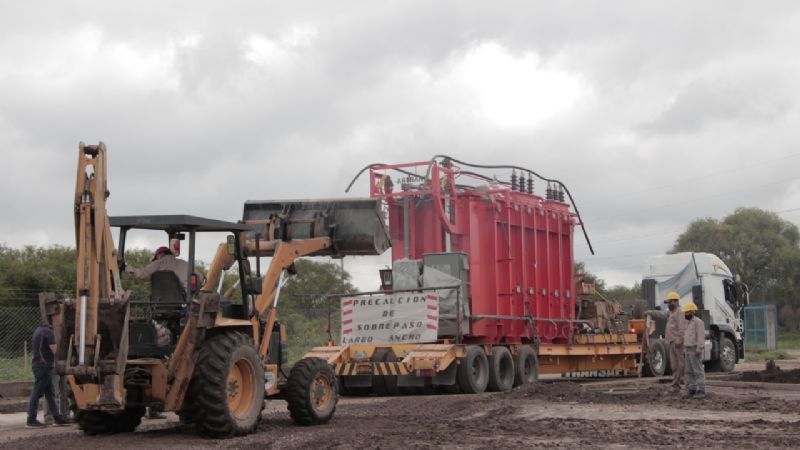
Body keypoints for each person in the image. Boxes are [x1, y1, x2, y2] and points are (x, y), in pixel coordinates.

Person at [26, 323, 70, 428]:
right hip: (44, 366)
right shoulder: (48, 332)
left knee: (50, 394)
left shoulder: (38, 330)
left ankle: (57, 418)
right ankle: (31, 419)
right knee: (36, 393)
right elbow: (54, 349)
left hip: (39, 365)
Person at [645, 291, 687, 391]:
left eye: (670, 302)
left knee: (679, 363)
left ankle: (678, 383)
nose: (668, 304)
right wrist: (650, 312)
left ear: (676, 302)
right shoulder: (671, 312)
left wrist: (679, 340)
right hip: (671, 342)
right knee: (674, 364)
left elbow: (682, 328)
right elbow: (662, 314)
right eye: (668, 303)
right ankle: (677, 383)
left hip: (677, 342)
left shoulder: (680, 312)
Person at [682, 302, 706, 399]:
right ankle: (691, 389)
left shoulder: (698, 322)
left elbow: (700, 336)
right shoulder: (687, 323)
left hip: (694, 349)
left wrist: (699, 348)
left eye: (687, 312)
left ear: (692, 312)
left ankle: (701, 389)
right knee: (689, 371)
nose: (685, 314)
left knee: (697, 370)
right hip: (688, 349)